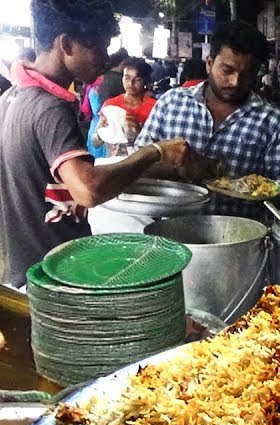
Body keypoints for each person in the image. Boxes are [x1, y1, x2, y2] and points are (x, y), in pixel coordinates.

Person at [0, 0, 187, 286]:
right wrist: (154, 151)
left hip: (26, 270)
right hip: (55, 277)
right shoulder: (49, 108)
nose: (105, 56)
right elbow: (87, 189)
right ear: (66, 45)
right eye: (97, 45)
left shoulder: (12, 96)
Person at [136, 20, 280, 218]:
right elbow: (137, 164)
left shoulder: (272, 121)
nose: (235, 82)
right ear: (209, 63)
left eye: (247, 75)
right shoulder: (171, 103)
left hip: (238, 237)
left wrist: (251, 188)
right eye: (227, 70)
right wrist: (181, 167)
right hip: (170, 231)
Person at [92, 57, 156, 157]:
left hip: (145, 163)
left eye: (137, 79)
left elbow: (160, 144)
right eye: (127, 78)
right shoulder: (110, 106)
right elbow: (95, 144)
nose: (131, 83)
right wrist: (100, 131)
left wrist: (139, 131)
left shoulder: (154, 107)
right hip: (115, 164)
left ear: (145, 81)